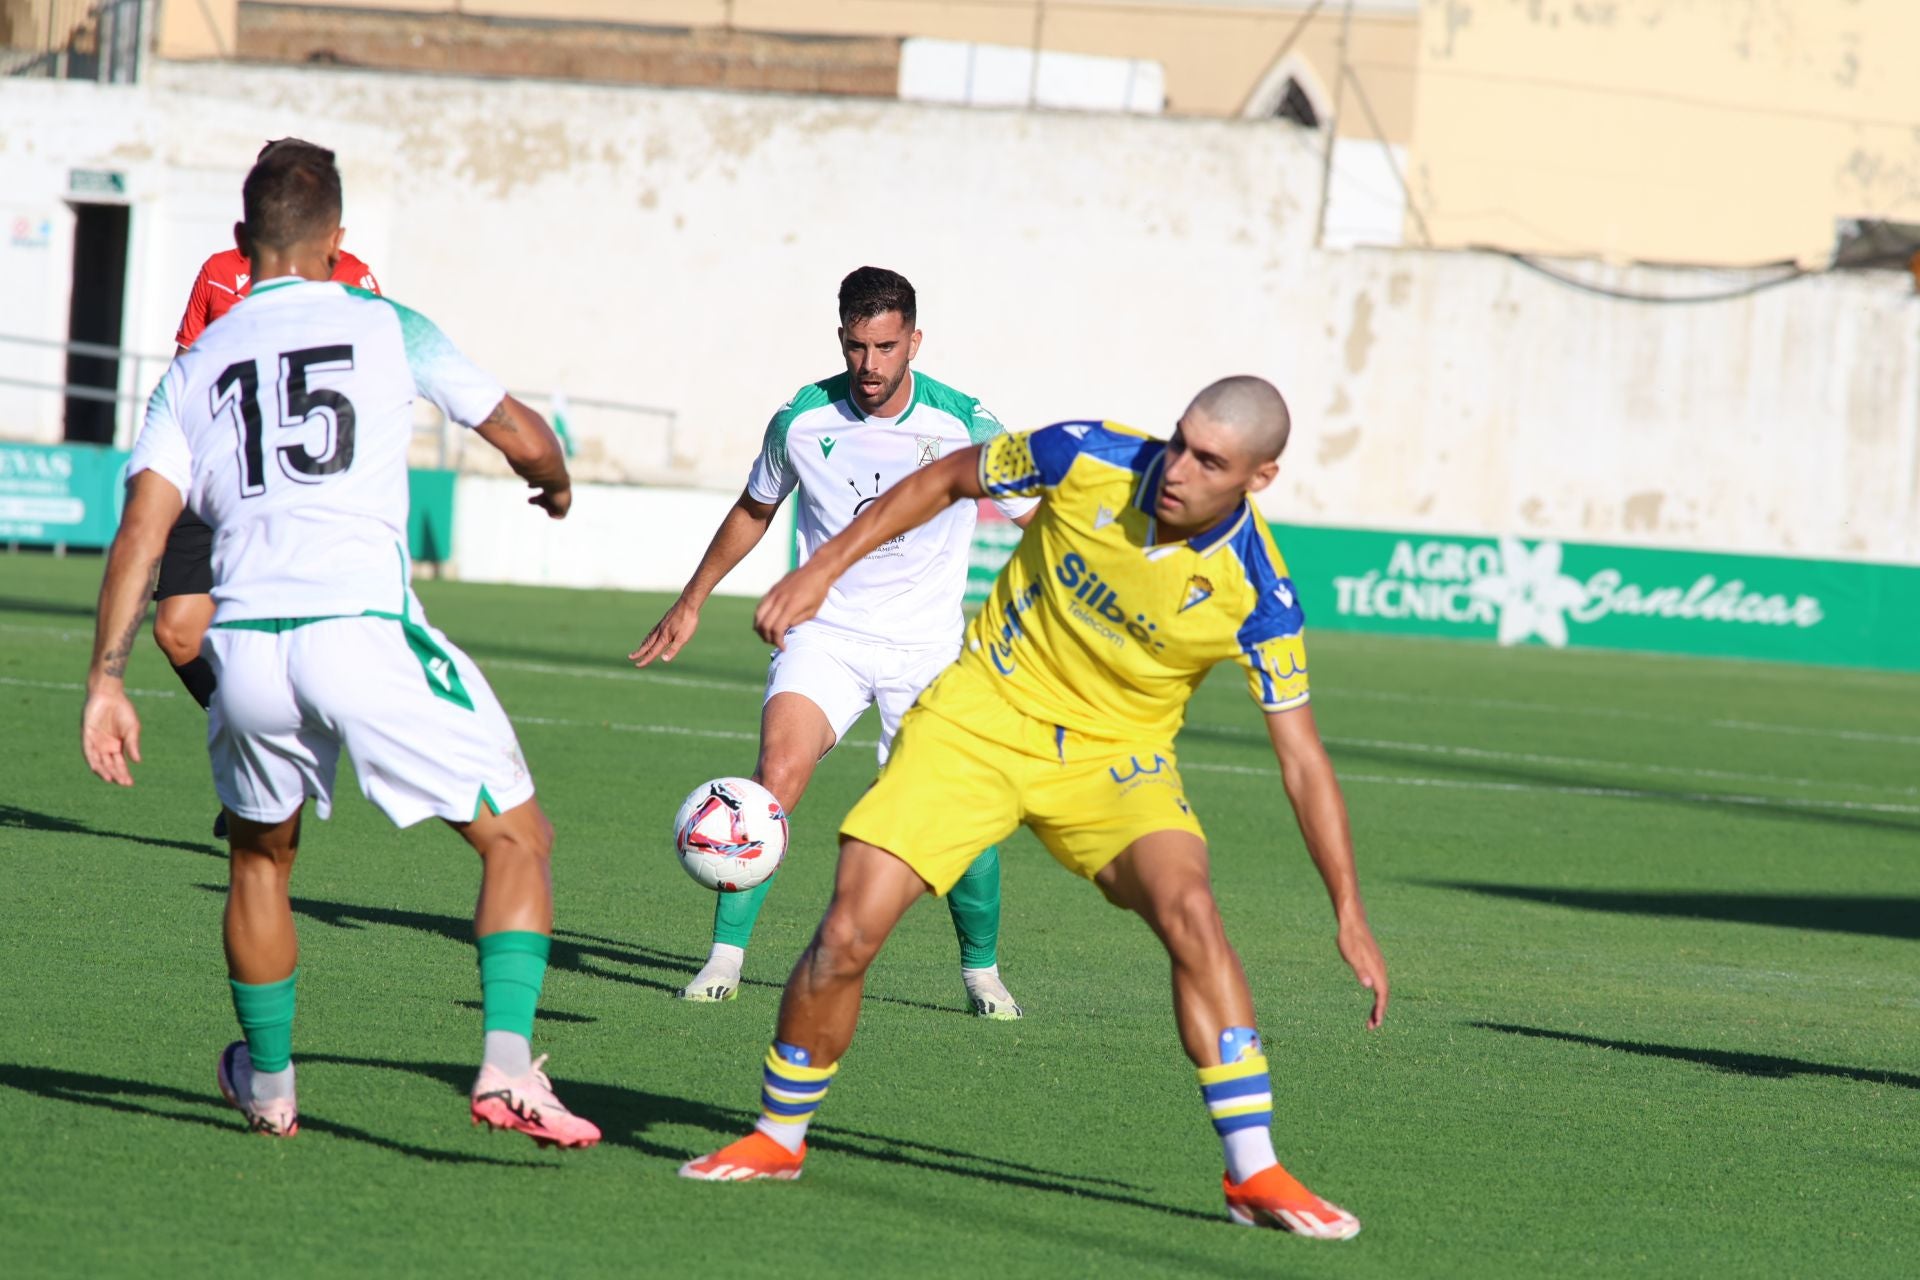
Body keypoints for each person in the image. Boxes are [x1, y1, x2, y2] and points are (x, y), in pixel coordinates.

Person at [678, 377, 1388, 1240]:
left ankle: (1254, 1173)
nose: (1178, 468)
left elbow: (1303, 760)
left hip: (1115, 763)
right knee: (848, 932)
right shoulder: (1088, 453)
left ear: (1259, 478)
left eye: (1210, 461)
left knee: (1192, 912)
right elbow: (945, 479)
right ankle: (776, 1138)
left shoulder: (1258, 590)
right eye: (1179, 440)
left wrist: (1347, 908)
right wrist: (822, 568)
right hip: (976, 722)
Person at [80, 140, 598, 1148]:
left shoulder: (193, 364)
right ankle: (505, 1067)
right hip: (363, 634)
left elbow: (142, 526)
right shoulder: (385, 323)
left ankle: (269, 1085)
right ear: (338, 243)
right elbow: (522, 432)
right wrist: (556, 482)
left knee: (260, 861)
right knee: (516, 838)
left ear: (242, 242)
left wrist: (107, 679)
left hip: (247, 654)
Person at [631, 266, 1037, 1015]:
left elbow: (1038, 521)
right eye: (857, 347)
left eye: (886, 347)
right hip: (827, 635)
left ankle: (981, 972)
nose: (871, 367)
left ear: (914, 340)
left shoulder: (964, 426)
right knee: (775, 776)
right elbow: (755, 508)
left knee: (958, 810)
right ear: (841, 338)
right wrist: (693, 599)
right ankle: (723, 959)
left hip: (926, 650)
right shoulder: (803, 419)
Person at [156, 137, 384, 840]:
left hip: (298, 491)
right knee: (177, 632)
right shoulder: (222, 274)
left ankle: (265, 780)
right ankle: (264, 756)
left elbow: (378, 374)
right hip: (210, 474)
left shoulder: (354, 277)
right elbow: (188, 367)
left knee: (306, 650)